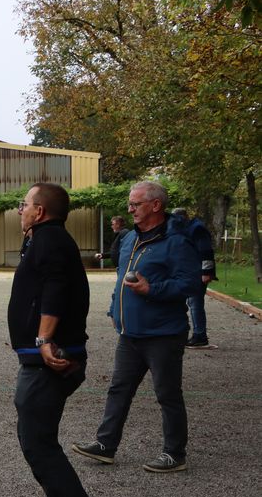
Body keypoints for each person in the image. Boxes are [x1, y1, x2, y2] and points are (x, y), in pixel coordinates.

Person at [73, 181, 201, 473]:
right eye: (130, 204)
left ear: (156, 205)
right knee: (118, 389)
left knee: (167, 394)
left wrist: (152, 289)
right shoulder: (130, 238)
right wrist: (115, 307)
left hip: (163, 334)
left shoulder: (177, 242)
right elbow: (122, 277)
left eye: (136, 204)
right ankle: (106, 445)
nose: (130, 209)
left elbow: (191, 284)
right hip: (129, 334)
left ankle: (174, 454)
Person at [8, 183, 103, 497]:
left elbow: (55, 289)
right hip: (41, 358)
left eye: (25, 204)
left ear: (40, 212)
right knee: (33, 439)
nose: (21, 210)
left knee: (39, 442)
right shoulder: (44, 239)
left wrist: (44, 339)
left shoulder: (48, 239)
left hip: (51, 360)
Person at [172, 208, 216, 348]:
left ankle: (200, 336)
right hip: (190, 271)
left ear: (185, 217)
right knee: (191, 304)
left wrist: (207, 272)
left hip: (197, 272)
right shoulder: (187, 228)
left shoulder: (196, 229)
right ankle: (194, 334)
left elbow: (206, 251)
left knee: (195, 304)